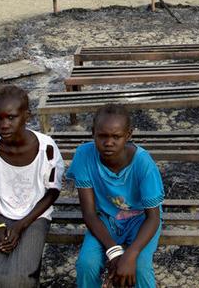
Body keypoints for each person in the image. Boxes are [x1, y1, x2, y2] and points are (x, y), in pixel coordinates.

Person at [0, 84, 64, 287]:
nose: (4, 125)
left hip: (35, 217)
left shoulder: (46, 149)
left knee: (18, 280)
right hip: (2, 215)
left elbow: (52, 192)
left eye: (11, 117)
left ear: (27, 116)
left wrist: (20, 226)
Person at [66, 104, 164, 288]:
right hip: (106, 219)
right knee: (86, 264)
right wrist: (114, 251)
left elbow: (153, 218)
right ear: (93, 133)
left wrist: (130, 255)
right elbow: (89, 213)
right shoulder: (84, 155)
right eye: (102, 136)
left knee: (141, 267)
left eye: (116, 136)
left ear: (128, 135)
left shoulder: (143, 163)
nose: (109, 142)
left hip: (141, 220)